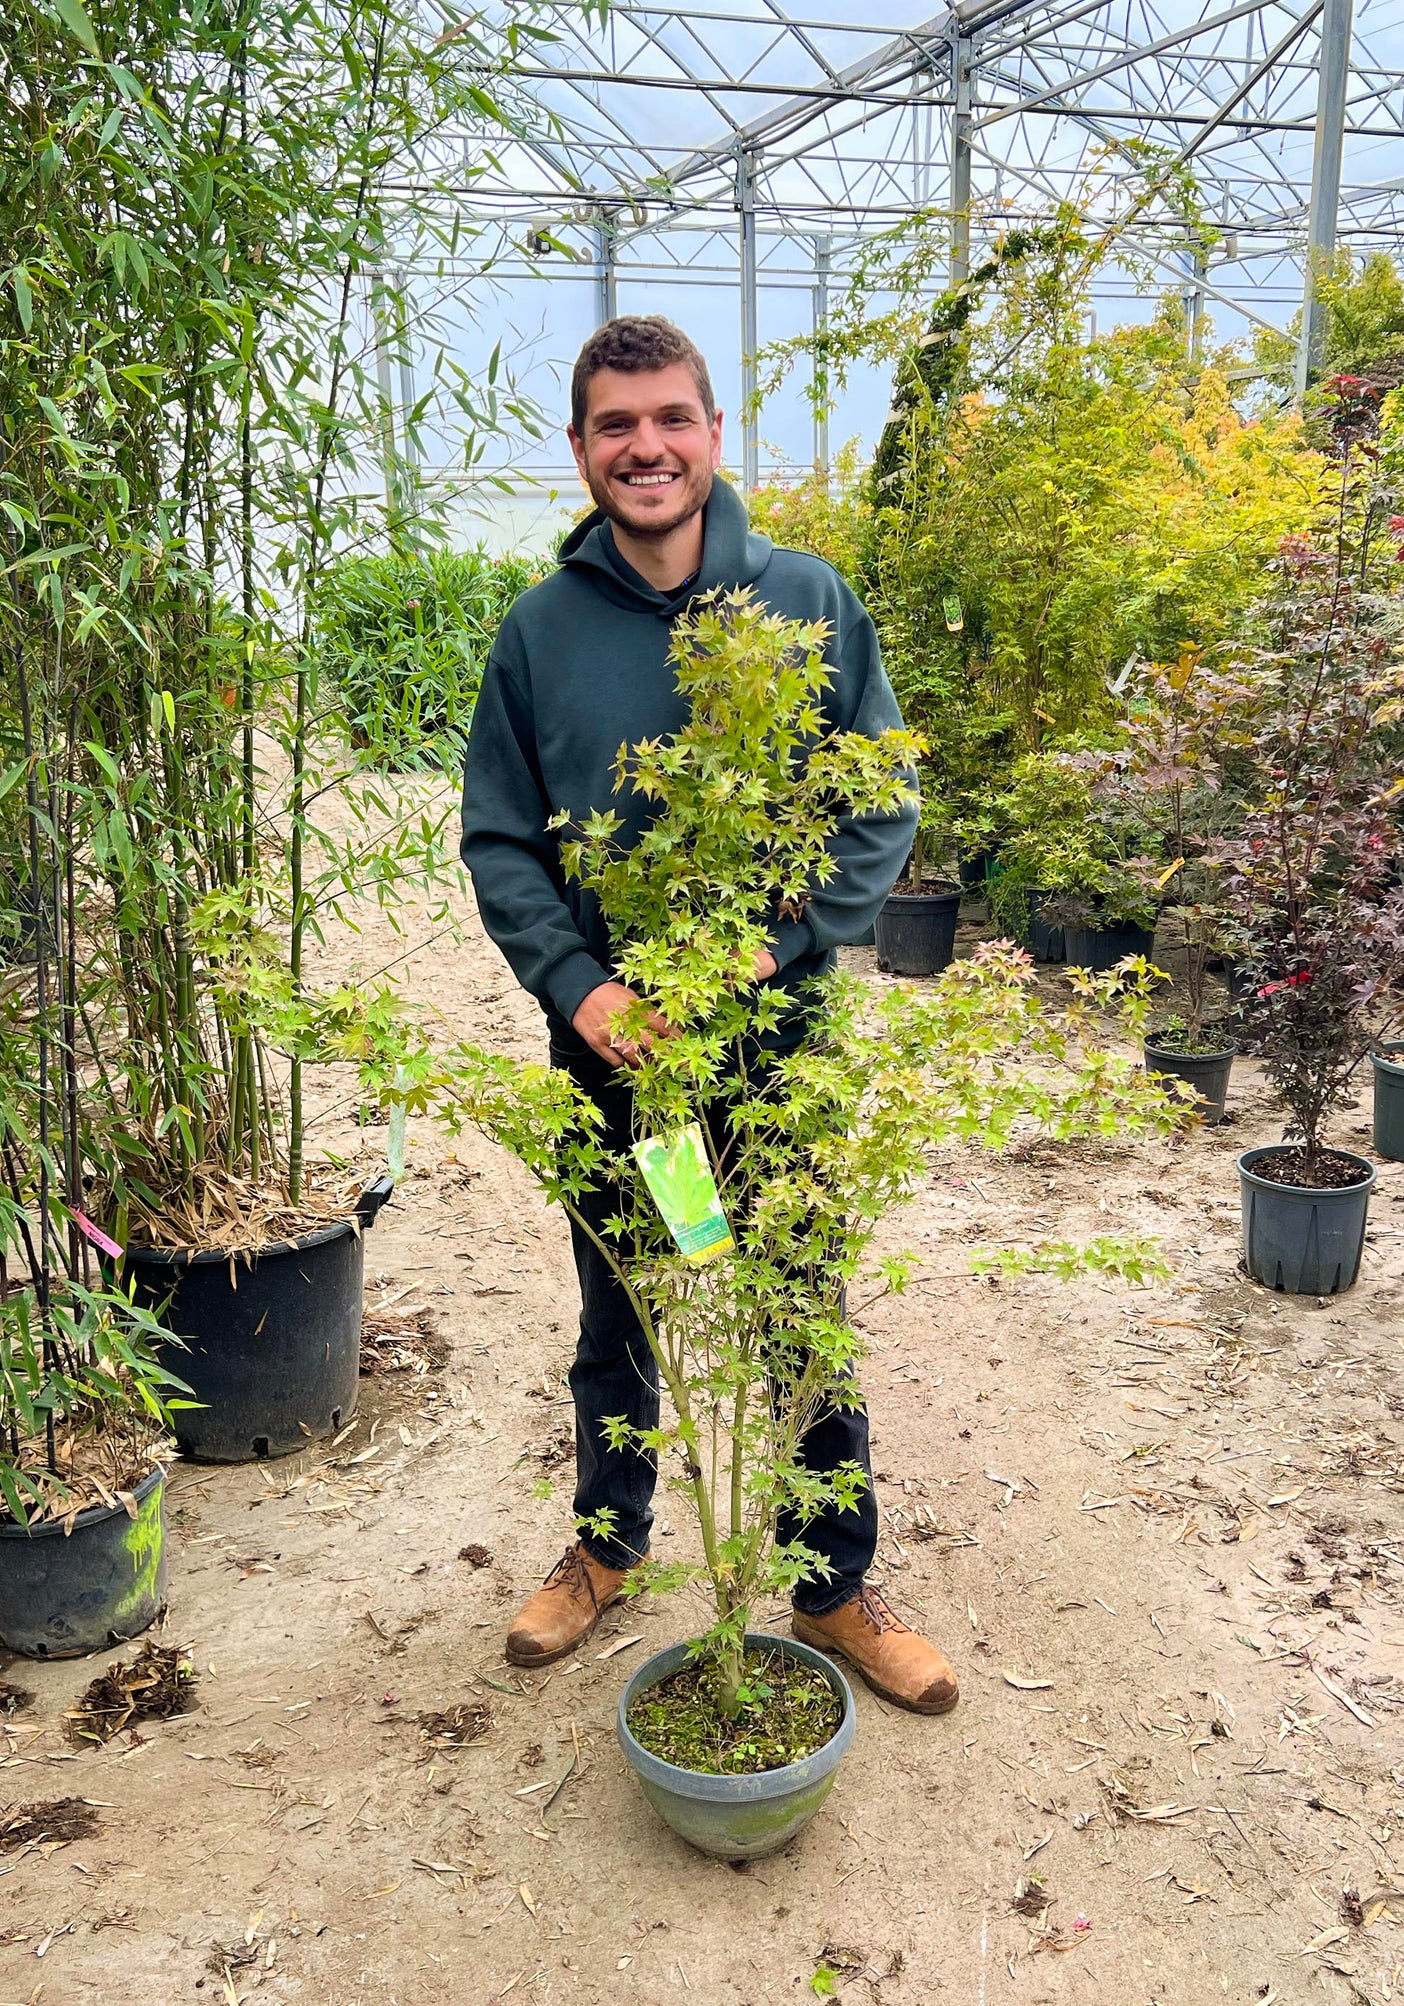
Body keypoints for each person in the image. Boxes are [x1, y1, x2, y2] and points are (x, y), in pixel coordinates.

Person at [460, 315, 958, 1715]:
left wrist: (776, 941)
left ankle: (830, 1580)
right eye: (615, 425)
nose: (646, 448)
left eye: (670, 418)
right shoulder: (541, 634)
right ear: (579, 449)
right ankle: (606, 1545)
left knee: (792, 1305)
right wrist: (581, 985)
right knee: (624, 1297)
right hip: (624, 1059)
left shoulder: (803, 602)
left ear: (713, 433)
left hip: (767, 1056)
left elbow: (878, 795)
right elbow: (501, 838)